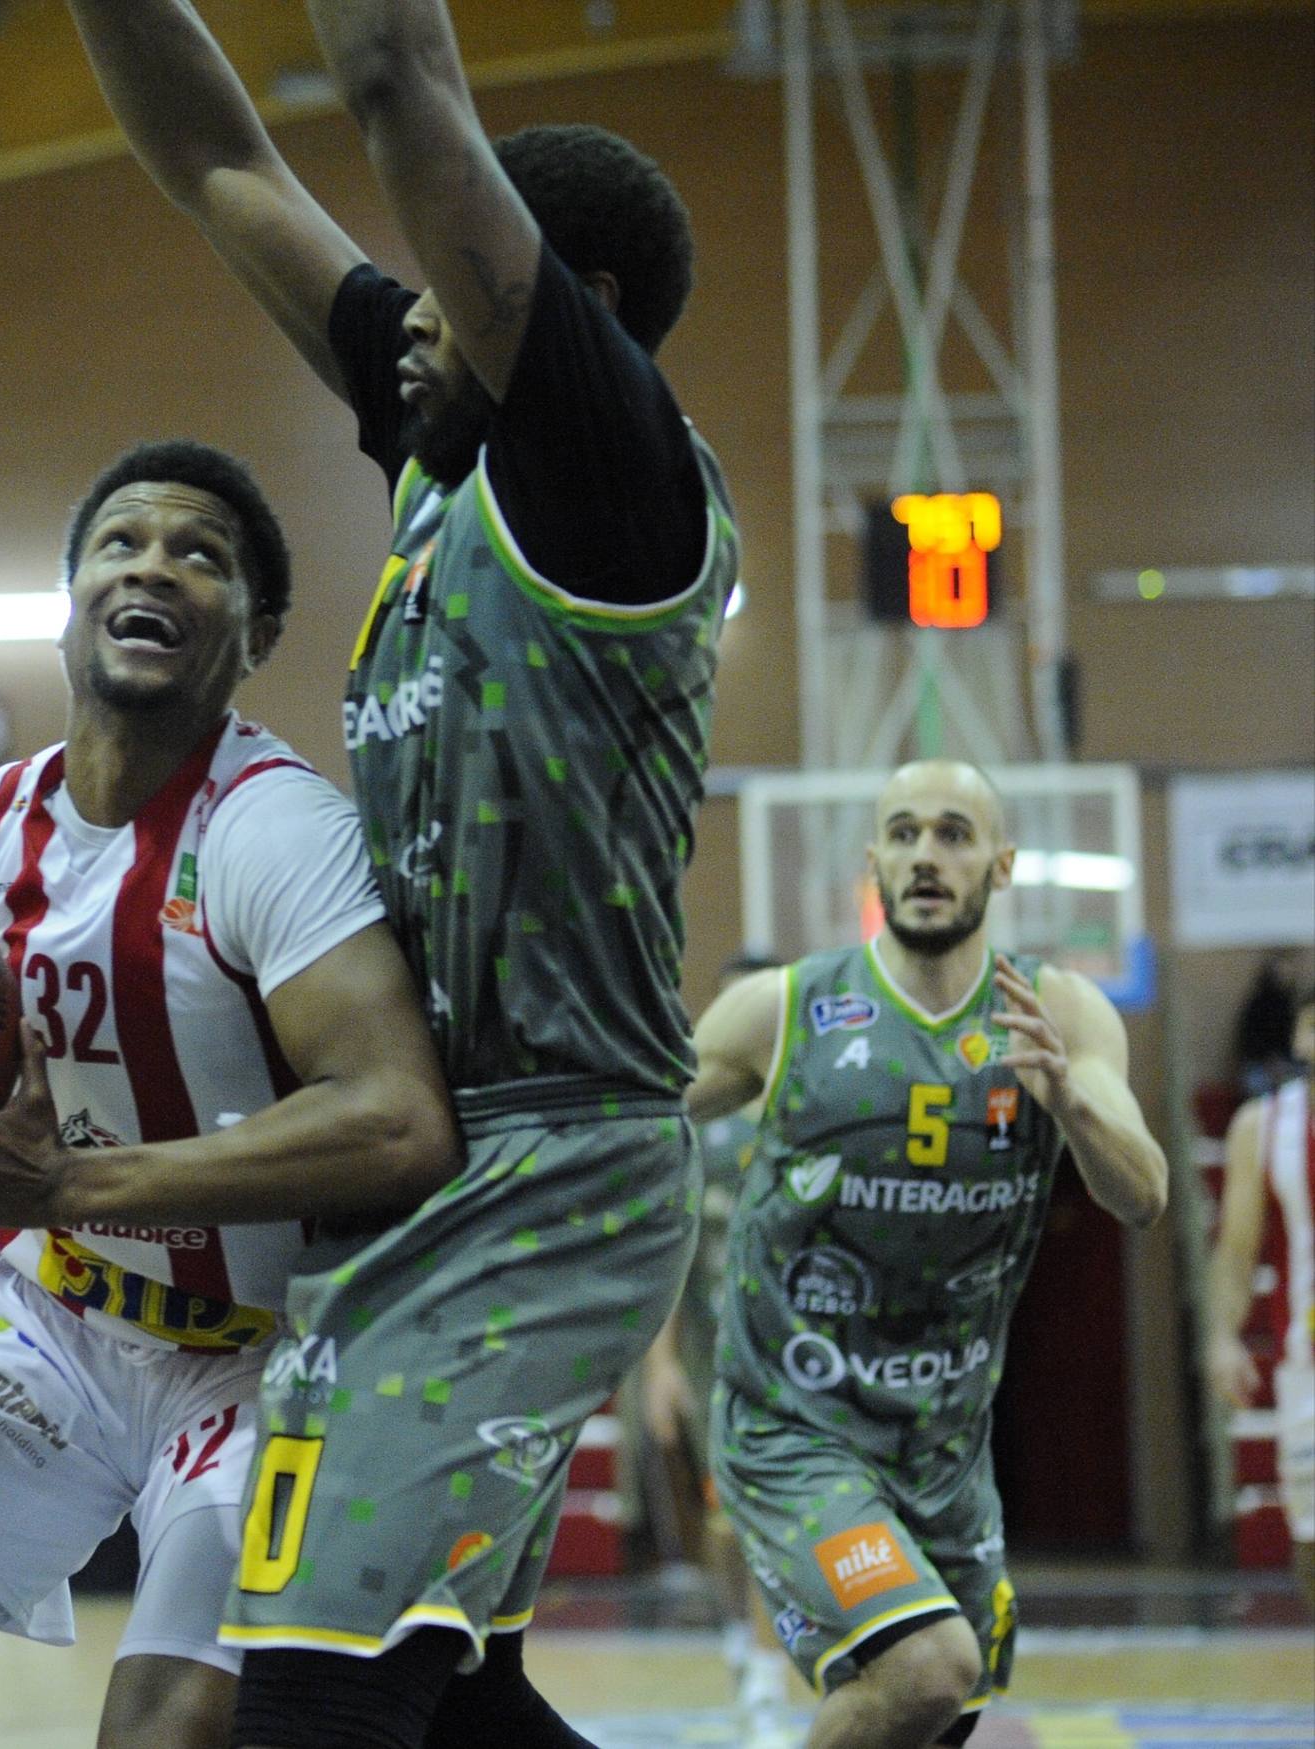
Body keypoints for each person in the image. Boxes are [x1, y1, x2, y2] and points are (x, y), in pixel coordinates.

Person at [64, 2, 737, 1743]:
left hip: (558, 1157)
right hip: (436, 1152)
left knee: (311, 1695)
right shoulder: (446, 444)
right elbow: (218, 162)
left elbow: (394, 74)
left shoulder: (605, 467)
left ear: (561, 306)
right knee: (452, 1704)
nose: (399, 317)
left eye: (442, 282)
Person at [0, 440, 461, 1749]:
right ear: (70, 606)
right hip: (47, 1331)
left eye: (199, 554)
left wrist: (70, 1184)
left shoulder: (275, 831)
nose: (152, 565)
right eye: (122, 543)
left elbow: (401, 1122)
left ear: (257, 633)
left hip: (271, 1362)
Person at [685, 760, 1167, 1749]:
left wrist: (1070, 1103)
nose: (925, 855)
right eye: (903, 834)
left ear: (1002, 864)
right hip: (794, 1426)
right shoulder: (784, 1008)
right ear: (874, 860)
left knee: (944, 1708)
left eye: (953, 833)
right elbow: (628, 1123)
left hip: (944, 1446)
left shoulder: (1057, 1013)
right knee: (927, 1667)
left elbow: (1145, 1193)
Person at [639, 950, 785, 1721]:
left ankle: (769, 1662)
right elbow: (671, 1247)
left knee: (769, 1514)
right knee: (725, 1523)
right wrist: (660, 1364)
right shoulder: (695, 1125)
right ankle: (743, 1636)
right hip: (713, 1349)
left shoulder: (814, 1108)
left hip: (799, 1356)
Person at [1203, 991, 1315, 1606]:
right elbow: (1237, 1248)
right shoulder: (1264, 1125)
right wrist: (1224, 1338)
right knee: (1311, 1542)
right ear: (1300, 1037)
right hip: (1308, 1366)